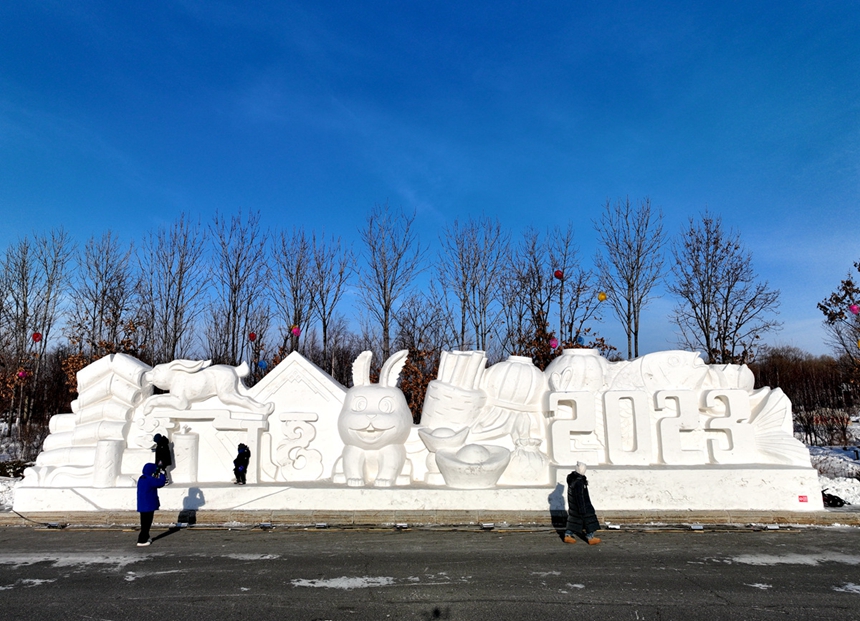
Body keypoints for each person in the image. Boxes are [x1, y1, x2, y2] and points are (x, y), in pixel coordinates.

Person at [564, 461, 601, 545]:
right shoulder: (579, 482)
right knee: (589, 520)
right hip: (582, 505)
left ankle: (568, 535)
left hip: (574, 505)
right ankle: (590, 537)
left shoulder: (572, 479)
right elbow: (580, 496)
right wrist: (582, 508)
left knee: (575, 520)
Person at [136, 462, 166, 547]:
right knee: (147, 523)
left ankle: (145, 537)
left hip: (142, 505)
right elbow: (160, 483)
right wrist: (162, 474)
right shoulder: (150, 479)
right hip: (149, 505)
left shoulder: (142, 478)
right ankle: (142, 540)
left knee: (144, 523)